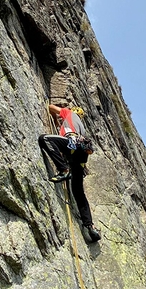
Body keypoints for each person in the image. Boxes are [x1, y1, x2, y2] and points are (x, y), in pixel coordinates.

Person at [39, 104, 101, 243]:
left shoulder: (69, 113)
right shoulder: (82, 127)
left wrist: (56, 119)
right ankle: (90, 226)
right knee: (78, 192)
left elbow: (51, 107)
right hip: (81, 155)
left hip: (71, 144)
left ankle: (63, 169)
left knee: (45, 139)